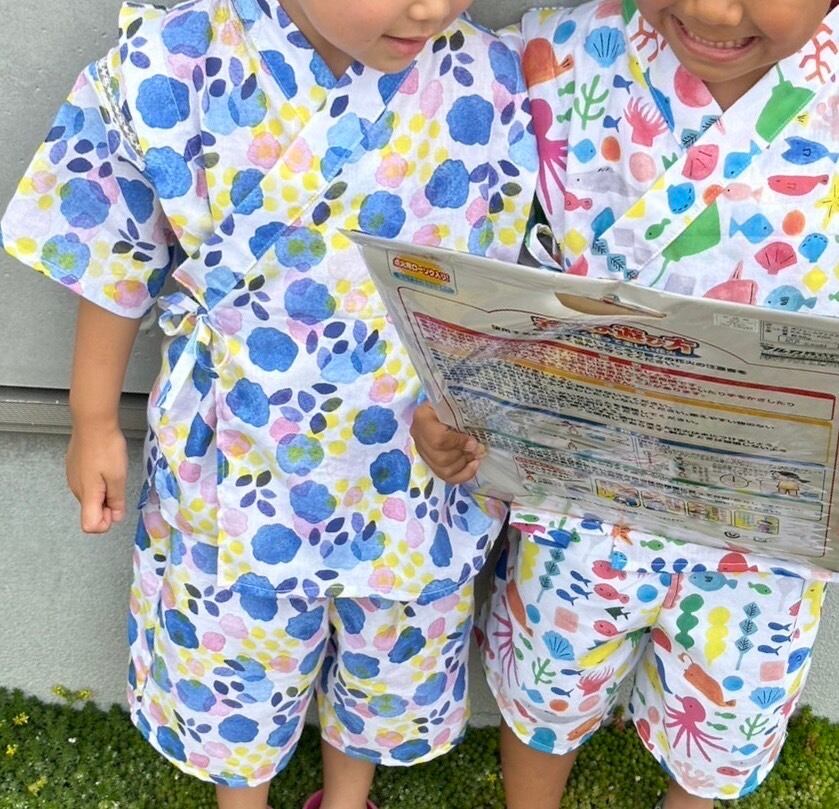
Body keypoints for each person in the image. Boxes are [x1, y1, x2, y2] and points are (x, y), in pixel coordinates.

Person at [0, 1, 536, 807]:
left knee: (385, 636)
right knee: (237, 652)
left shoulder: (485, 79)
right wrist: (93, 418)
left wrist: (463, 407)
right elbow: (109, 250)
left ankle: (346, 793)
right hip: (235, 442)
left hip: (407, 447)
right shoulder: (172, 63)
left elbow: (489, 287)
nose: (430, 8)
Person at [410, 0, 839, 807]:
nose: (712, 9)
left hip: (768, 517)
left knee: (724, 711)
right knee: (548, 681)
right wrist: (449, 382)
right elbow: (454, 227)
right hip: (579, 476)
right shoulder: (558, 56)